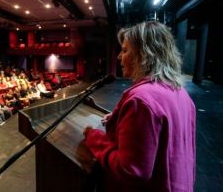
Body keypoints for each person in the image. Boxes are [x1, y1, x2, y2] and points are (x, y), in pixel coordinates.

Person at [83, 21, 196, 192]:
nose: (119, 57)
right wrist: (119, 122)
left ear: (144, 54)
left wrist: (94, 137)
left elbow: (131, 171)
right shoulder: (180, 93)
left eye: (125, 50)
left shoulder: (141, 100)